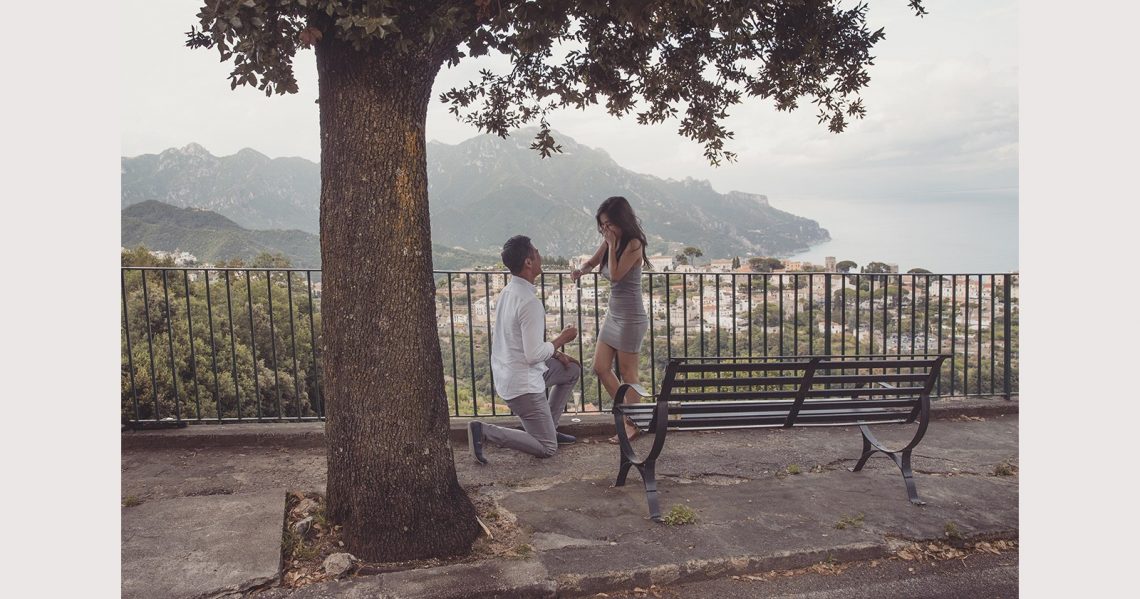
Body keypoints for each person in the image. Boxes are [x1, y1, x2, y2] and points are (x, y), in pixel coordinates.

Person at [467, 235, 582, 464]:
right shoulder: (529, 302)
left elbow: (518, 342)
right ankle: (484, 431)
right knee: (548, 448)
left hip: (508, 373)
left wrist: (556, 354)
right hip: (523, 385)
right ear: (528, 262)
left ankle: (549, 425)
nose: (540, 255)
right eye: (537, 252)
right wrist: (562, 338)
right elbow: (532, 356)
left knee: (571, 370)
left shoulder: (508, 292)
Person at [570, 196, 652, 443]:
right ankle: (631, 415)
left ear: (620, 220)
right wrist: (580, 271)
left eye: (609, 224)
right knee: (600, 367)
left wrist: (612, 243)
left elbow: (616, 275)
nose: (605, 229)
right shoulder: (608, 241)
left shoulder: (633, 244)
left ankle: (633, 423)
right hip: (613, 315)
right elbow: (593, 262)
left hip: (631, 317)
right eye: (603, 225)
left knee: (629, 374)